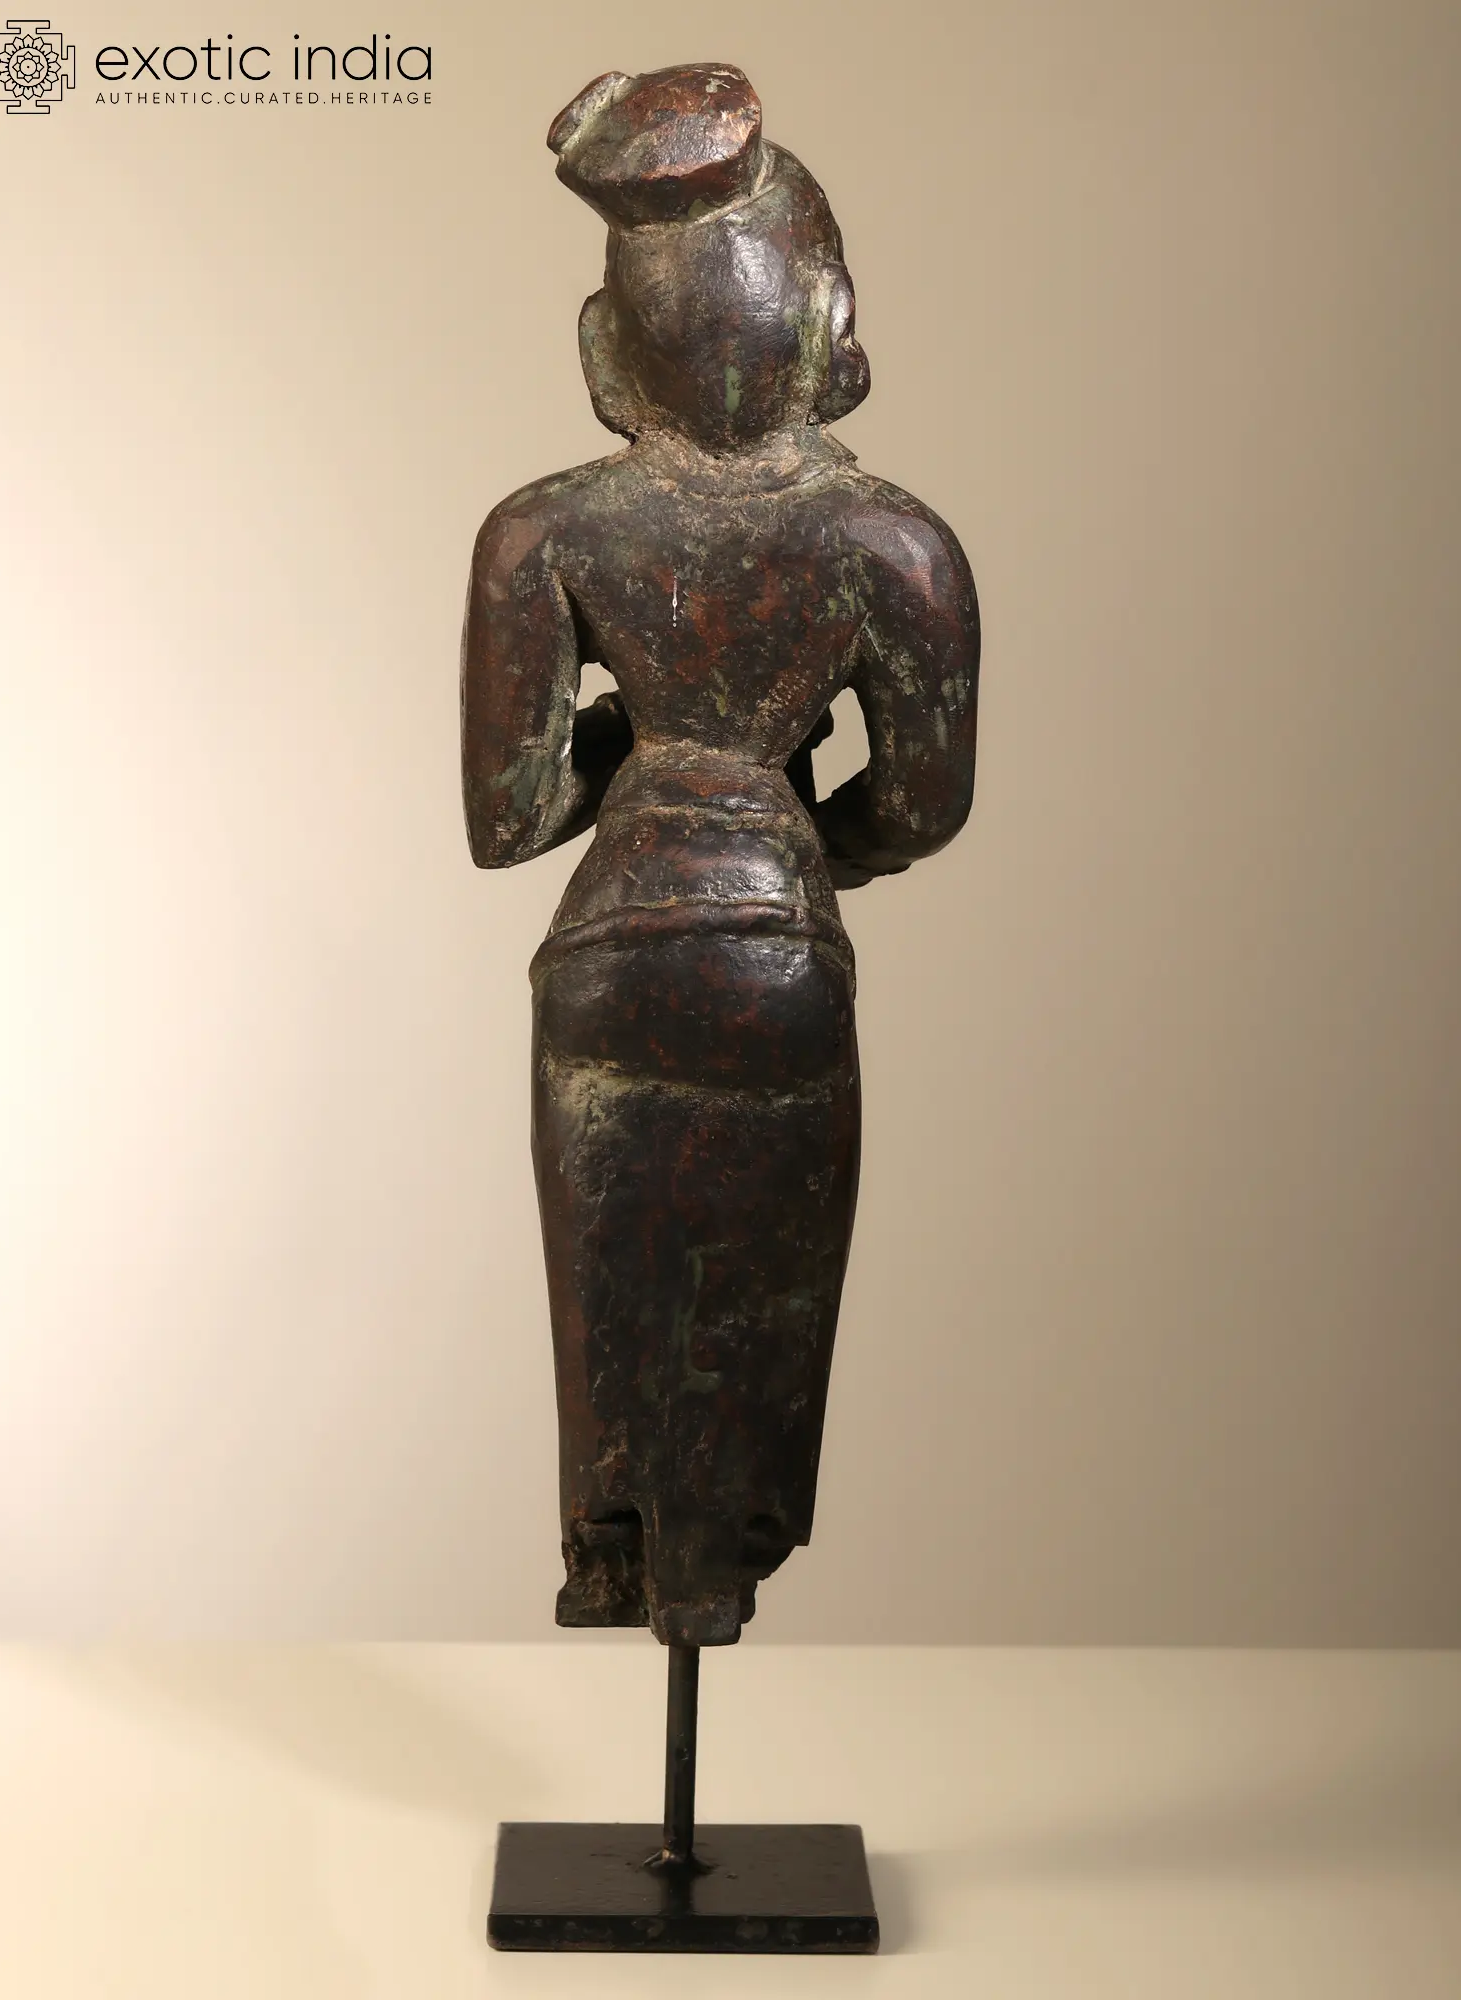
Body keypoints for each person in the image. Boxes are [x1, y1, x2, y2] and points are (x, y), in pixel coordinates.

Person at [462, 64, 980, 1646]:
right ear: (825, 318)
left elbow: (507, 816)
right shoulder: (893, 546)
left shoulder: (546, 534)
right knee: (763, 1288)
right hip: (778, 958)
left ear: (609, 347)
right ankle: (718, 1553)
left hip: (610, 954)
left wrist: (641, 750)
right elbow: (923, 804)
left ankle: (617, 1541)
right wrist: (795, 837)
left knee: (613, 1280)